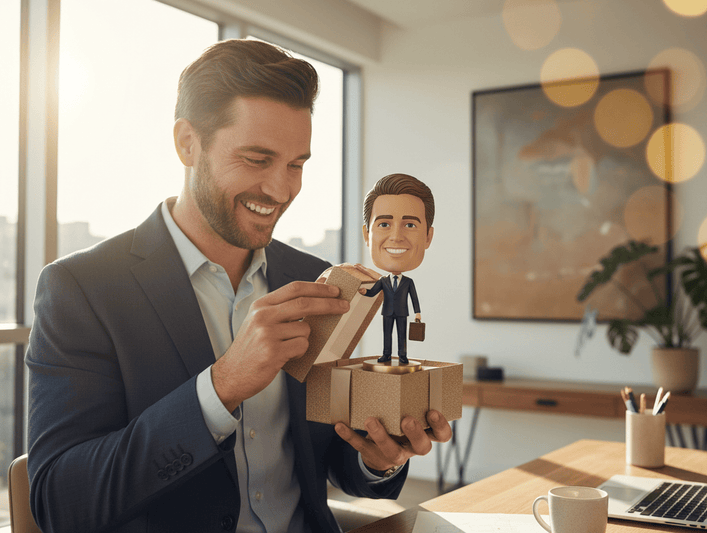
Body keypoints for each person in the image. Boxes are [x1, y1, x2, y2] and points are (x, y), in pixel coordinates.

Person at [25, 39, 451, 533]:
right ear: (188, 143)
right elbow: (61, 501)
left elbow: (332, 459)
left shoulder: (313, 278)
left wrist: (379, 456)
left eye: (296, 164)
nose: (281, 189)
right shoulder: (82, 289)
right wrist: (222, 384)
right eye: (256, 159)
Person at [362, 174, 435, 365]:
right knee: (387, 335)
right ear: (366, 234)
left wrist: (418, 313)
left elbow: (414, 298)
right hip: (387, 312)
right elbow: (373, 292)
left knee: (401, 335)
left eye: (410, 225)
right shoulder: (383, 281)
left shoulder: (408, 283)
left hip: (403, 313)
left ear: (428, 236)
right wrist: (362, 292)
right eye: (384, 224)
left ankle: (402, 355)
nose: (396, 237)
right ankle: (387, 354)